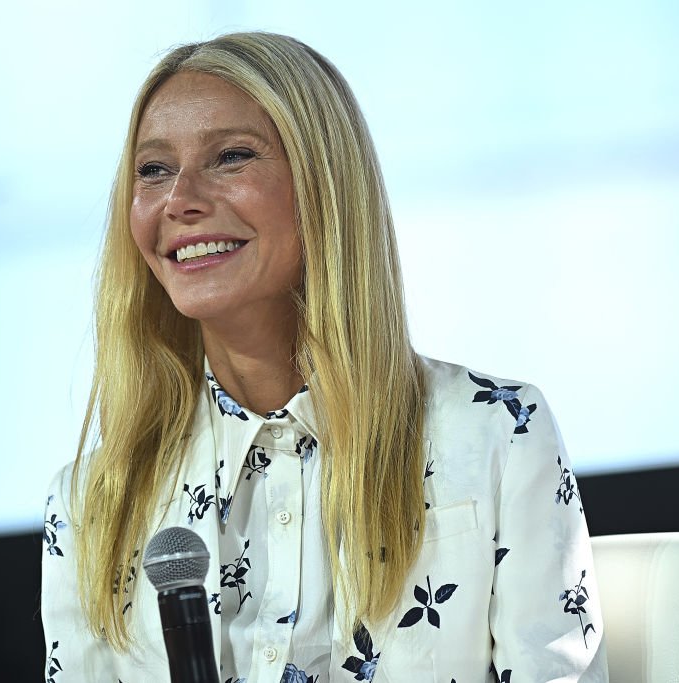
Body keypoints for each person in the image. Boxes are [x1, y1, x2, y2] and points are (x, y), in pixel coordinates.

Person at [41, 31, 608, 683]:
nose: (180, 199)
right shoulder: (89, 504)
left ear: (326, 185)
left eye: (230, 156)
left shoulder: (500, 432)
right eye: (153, 169)